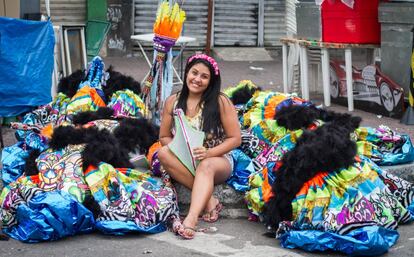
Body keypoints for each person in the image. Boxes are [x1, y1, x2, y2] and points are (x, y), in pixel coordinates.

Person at [157, 53, 241, 239]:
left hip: (218, 159)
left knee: (206, 164)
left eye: (204, 76)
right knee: (163, 152)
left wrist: (209, 152)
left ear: (211, 81)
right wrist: (180, 150)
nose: (197, 79)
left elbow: (235, 139)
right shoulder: (173, 101)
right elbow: (163, 136)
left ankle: (191, 219)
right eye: (194, 73)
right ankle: (210, 200)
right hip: (186, 160)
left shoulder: (220, 101)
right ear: (187, 73)